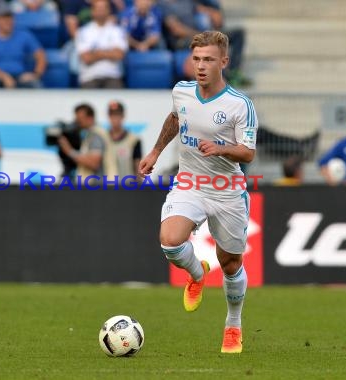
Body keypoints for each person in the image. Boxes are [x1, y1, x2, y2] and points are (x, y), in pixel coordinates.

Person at [138, 31, 258, 354]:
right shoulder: (182, 91)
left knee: (230, 263)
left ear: (224, 62)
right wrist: (155, 153)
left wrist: (221, 148)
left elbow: (248, 153)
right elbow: (175, 119)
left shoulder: (240, 105)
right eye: (196, 59)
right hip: (189, 182)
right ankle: (197, 273)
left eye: (208, 59)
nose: (201, 66)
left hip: (227, 191)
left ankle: (233, 324)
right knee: (170, 240)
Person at [0, 4, 47, 88]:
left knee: (35, 84)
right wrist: (4, 77)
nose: (8, 21)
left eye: (10, 18)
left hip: (20, 76)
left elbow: (40, 55)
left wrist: (35, 74)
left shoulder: (24, 35)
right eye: (4, 18)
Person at [76, 0, 128, 88]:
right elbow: (86, 58)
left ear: (109, 10)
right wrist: (109, 53)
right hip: (89, 78)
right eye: (98, 8)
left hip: (112, 77)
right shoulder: (83, 31)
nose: (101, 11)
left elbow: (119, 55)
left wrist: (97, 53)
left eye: (104, 8)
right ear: (92, 11)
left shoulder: (117, 31)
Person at [57, 103, 117, 178]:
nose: (77, 122)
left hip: (96, 185)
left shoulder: (96, 135)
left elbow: (94, 163)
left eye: (80, 119)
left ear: (90, 118)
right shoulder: (89, 134)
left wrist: (69, 151)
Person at [107, 100, 142, 177]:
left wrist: (139, 187)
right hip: (105, 186)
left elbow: (137, 167)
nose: (114, 118)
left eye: (117, 115)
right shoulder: (102, 138)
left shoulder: (133, 140)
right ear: (109, 116)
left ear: (122, 116)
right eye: (112, 115)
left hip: (126, 186)